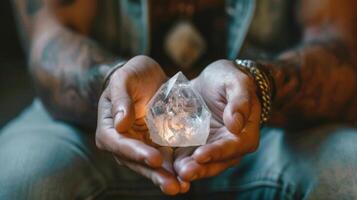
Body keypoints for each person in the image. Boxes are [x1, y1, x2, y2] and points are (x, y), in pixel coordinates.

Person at [1, 0, 357, 199]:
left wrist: (259, 84)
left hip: (270, 129)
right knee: (17, 178)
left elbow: (340, 55)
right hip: (95, 126)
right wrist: (111, 83)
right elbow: (50, 44)